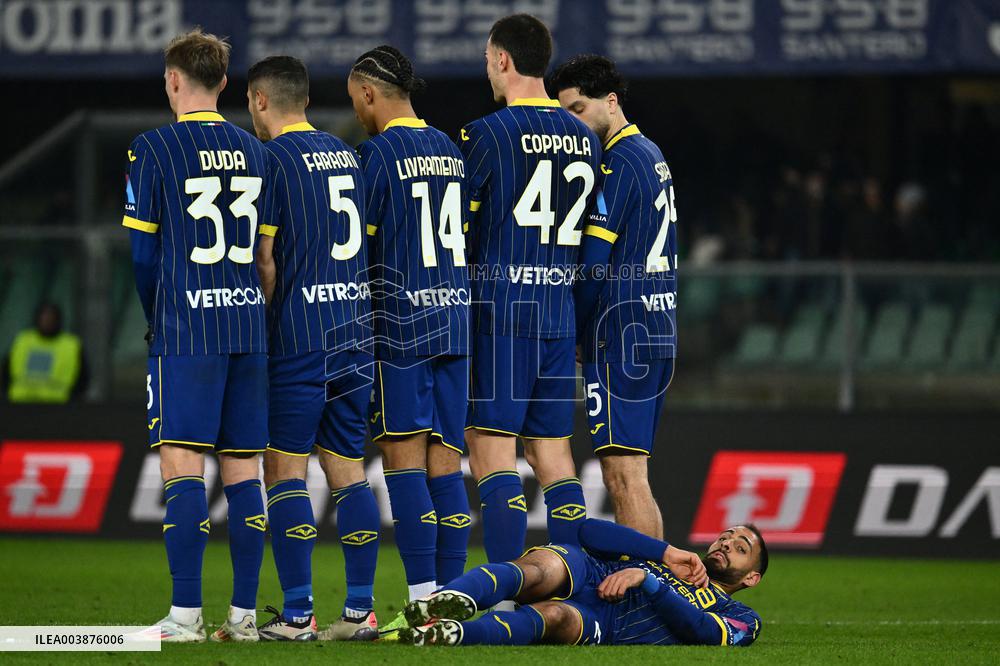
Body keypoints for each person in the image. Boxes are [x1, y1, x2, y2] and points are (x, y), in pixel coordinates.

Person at [124, 28, 272, 642]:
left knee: (183, 465)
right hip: (246, 323)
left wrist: (156, 315)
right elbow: (267, 258)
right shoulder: (254, 151)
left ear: (175, 80)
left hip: (187, 326)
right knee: (244, 473)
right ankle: (241, 617)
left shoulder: (151, 149)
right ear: (225, 84)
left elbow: (141, 254)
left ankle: (186, 615)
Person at [247, 55, 381, 642]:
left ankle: (298, 613)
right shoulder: (348, 155)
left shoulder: (271, 160)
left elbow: (265, 261)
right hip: (354, 331)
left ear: (258, 100)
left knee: (284, 471)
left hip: (299, 337)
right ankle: (360, 611)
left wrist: (263, 322)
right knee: (349, 469)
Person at [460, 14, 602, 566]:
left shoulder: (484, 134)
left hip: (500, 311)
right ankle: (568, 583)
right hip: (557, 312)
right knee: (553, 454)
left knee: (491, 449)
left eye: (487, 59)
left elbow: (460, 234)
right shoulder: (584, 137)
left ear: (502, 59)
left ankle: (501, 591)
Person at [347, 46, 472, 603]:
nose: (356, 111)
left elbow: (359, 246)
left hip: (401, 322)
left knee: (403, 461)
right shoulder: (448, 148)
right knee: (447, 464)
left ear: (369, 93)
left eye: (355, 100)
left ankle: (423, 601)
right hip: (454, 316)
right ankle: (453, 600)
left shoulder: (374, 156)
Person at [548, 55, 679, 538]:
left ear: (612, 101)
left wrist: (577, 332)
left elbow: (593, 263)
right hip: (654, 327)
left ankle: (650, 596)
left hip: (621, 335)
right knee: (629, 472)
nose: (573, 124)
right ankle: (655, 591)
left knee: (624, 476)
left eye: (579, 109)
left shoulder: (619, 161)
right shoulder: (651, 152)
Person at [397, 518, 765, 647]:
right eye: (726, 535)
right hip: (591, 571)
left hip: (610, 622)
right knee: (540, 569)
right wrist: (664, 553)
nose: (726, 543)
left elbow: (700, 630)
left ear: (752, 576)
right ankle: (447, 599)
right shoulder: (678, 563)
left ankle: (451, 634)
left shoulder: (741, 616)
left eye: (740, 546)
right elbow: (587, 530)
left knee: (556, 617)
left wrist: (648, 581)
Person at [4, 302, 87, 403]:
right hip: (20, 403)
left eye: (51, 318)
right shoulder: (23, 340)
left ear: (58, 321)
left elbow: (83, 379)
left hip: (58, 405)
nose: (47, 321)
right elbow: (6, 371)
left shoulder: (71, 345)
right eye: (44, 318)